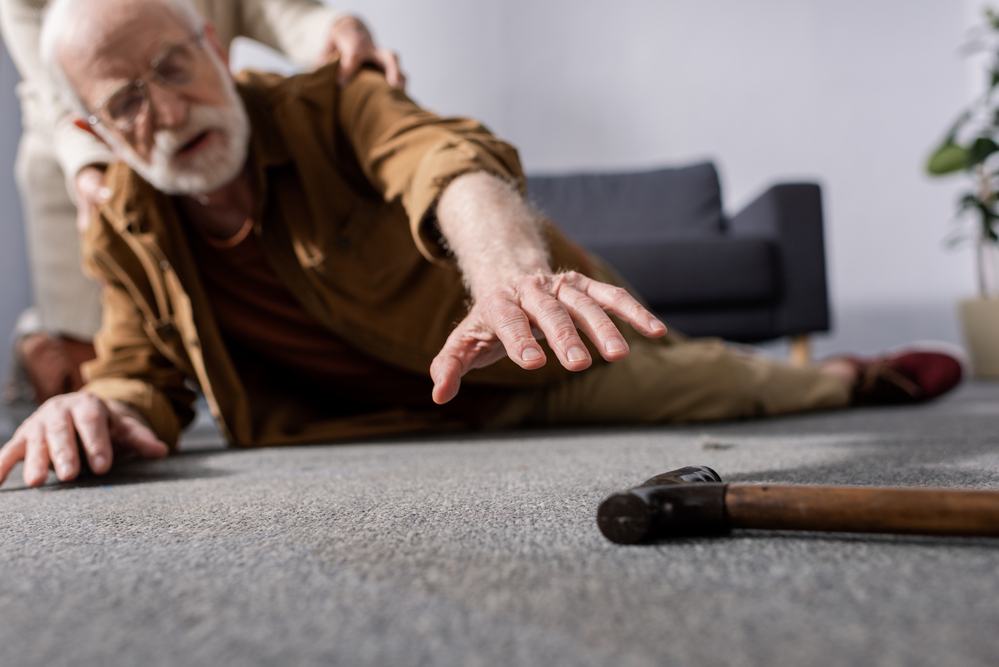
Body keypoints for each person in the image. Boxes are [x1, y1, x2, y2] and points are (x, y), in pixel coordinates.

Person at [0, 0, 963, 488]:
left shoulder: (331, 102)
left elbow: (445, 162)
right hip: (362, 433)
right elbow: (140, 370)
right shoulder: (124, 221)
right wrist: (87, 412)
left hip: (522, 369)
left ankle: (846, 377)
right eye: (125, 100)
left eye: (173, 65)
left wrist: (508, 277)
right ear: (89, 131)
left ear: (216, 45)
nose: (165, 110)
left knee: (728, 386)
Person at [0, 0, 404, 408]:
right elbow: (51, 91)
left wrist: (331, 30)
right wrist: (91, 166)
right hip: (77, 157)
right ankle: (38, 342)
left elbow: (267, 6)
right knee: (84, 384)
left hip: (202, 129)